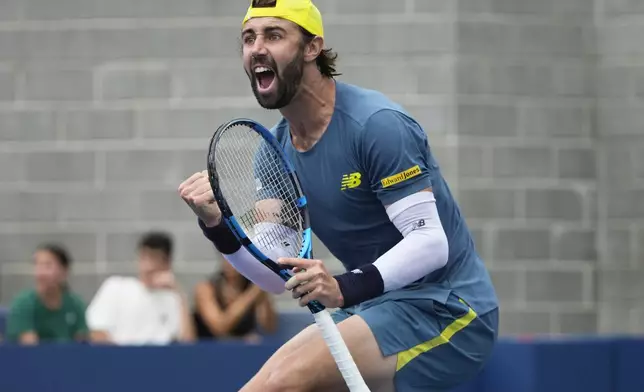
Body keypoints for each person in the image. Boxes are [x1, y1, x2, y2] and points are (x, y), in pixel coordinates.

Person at [178, 0, 499, 390]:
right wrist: (216, 224)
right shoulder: (274, 151)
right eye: (248, 38)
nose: (256, 48)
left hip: (448, 309)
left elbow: (430, 243)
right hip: (375, 306)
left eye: (274, 35)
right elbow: (278, 274)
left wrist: (342, 287)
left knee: (278, 384)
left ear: (312, 48)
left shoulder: (377, 126)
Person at [86, 231, 195, 345]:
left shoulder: (173, 299)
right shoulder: (115, 287)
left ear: (167, 262)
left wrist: (180, 294)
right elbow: (97, 332)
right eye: (144, 257)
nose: (148, 266)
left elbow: (187, 344)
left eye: (154, 258)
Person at [6, 244, 88, 344]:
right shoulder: (24, 304)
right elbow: (28, 348)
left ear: (64, 271)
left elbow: (82, 345)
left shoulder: (76, 305)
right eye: (37, 265)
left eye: (48, 266)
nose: (41, 273)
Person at [193, 259, 278, 342]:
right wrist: (253, 293)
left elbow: (268, 327)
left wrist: (263, 288)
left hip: (243, 350)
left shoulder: (252, 286)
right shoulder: (207, 288)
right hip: (208, 349)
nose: (230, 263)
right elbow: (220, 327)